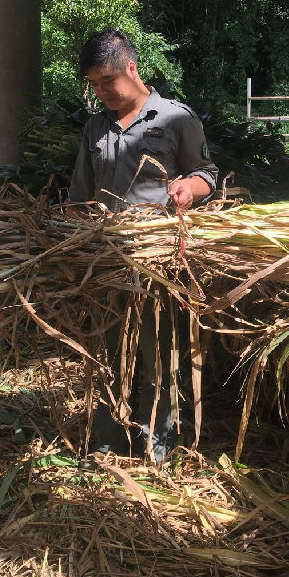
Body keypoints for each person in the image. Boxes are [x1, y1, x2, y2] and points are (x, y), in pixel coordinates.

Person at [67, 27, 218, 462]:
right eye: (94, 85)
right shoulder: (95, 127)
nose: (102, 92)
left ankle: (160, 441)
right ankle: (110, 437)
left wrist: (189, 187)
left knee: (160, 352)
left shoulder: (175, 118)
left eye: (108, 81)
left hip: (158, 261)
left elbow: (207, 173)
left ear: (132, 68)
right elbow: (80, 196)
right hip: (105, 259)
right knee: (108, 351)